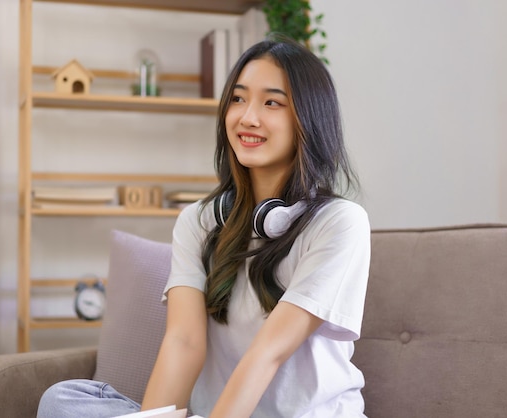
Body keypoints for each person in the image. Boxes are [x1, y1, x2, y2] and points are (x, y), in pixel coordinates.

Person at [37, 35, 371, 418]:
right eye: (238, 98)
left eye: (272, 103)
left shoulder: (340, 223)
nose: (247, 117)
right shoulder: (199, 220)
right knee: (64, 401)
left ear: (308, 119)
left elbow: (269, 351)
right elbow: (183, 342)